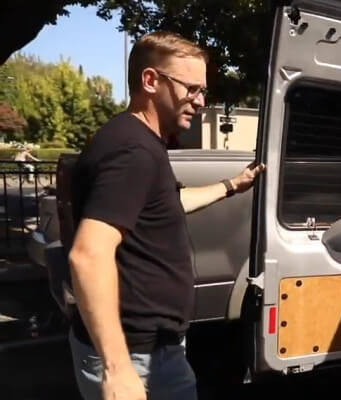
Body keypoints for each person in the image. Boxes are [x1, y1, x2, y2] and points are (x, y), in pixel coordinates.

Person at [66, 31, 264, 400]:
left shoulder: (140, 141)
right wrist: (118, 367)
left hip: (152, 348)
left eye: (204, 91)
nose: (201, 101)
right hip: (135, 356)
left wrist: (233, 184)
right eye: (192, 88)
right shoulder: (132, 150)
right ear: (151, 81)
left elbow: (172, 203)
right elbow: (88, 255)